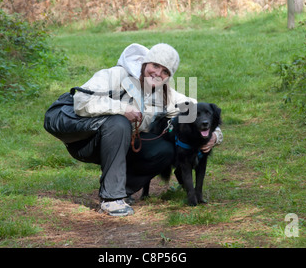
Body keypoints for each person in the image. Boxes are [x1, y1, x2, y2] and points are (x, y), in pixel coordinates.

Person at [44, 43, 223, 216]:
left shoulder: (164, 93)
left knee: (166, 150)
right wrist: (123, 109)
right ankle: (111, 199)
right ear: (146, 63)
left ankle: (123, 189)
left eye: (165, 71)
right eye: (155, 65)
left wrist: (215, 135)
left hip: (122, 143)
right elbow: (81, 100)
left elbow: (195, 109)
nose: (158, 73)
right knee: (119, 122)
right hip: (86, 141)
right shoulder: (116, 74)